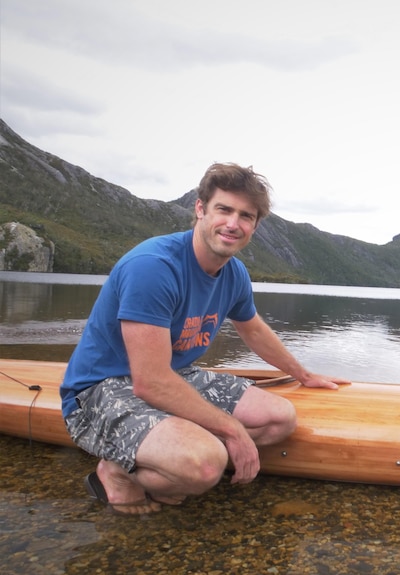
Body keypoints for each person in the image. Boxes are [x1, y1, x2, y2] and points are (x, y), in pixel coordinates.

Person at [60, 162, 349, 514]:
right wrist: (231, 430)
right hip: (98, 390)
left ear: (255, 226)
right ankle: (117, 472)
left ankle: (174, 457)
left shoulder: (234, 273)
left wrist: (304, 375)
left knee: (280, 418)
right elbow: (149, 382)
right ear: (200, 209)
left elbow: (253, 328)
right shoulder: (153, 267)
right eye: (224, 209)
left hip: (174, 375)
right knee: (207, 465)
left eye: (246, 216)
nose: (233, 223)